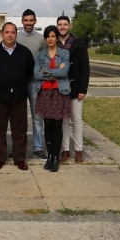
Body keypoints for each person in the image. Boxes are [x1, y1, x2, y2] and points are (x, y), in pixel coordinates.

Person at [0, 22, 34, 171]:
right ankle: (0, 158)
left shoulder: (25, 52)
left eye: (13, 32)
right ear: (2, 34)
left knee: (19, 130)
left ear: (16, 34)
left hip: (19, 97)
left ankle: (19, 158)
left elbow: (30, 71)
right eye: (7, 32)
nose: (10, 35)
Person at [33, 26, 71, 172]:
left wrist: (46, 71)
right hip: (45, 93)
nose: (50, 39)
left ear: (56, 38)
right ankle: (50, 156)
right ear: (45, 38)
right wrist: (55, 72)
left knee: (57, 125)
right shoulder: (40, 55)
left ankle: (55, 157)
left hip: (59, 93)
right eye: (48, 36)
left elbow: (64, 71)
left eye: (53, 36)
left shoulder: (64, 53)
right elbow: (36, 74)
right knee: (47, 126)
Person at [56, 15, 90, 164]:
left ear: (69, 26)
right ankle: (65, 150)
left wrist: (83, 89)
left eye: (65, 24)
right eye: (60, 24)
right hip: (59, 88)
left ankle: (78, 150)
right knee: (64, 120)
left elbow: (85, 67)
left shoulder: (78, 43)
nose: (62, 27)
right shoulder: (54, 42)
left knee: (76, 119)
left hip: (75, 87)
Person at [15, 9, 47, 161]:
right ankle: (17, 148)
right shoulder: (16, 37)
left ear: (35, 21)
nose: (28, 23)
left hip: (35, 83)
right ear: (22, 21)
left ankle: (38, 148)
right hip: (19, 83)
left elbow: (45, 59)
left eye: (31, 20)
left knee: (37, 117)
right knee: (18, 118)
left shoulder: (41, 39)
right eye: (25, 20)